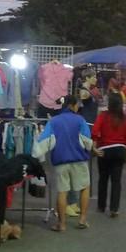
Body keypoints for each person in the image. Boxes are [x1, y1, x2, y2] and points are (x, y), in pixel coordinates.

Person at [36, 95, 94, 232]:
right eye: (77, 105)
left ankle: (61, 224)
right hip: (79, 160)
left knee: (62, 191)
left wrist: (36, 156)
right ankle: (82, 219)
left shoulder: (54, 121)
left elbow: (43, 141)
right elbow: (87, 141)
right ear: (72, 105)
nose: (78, 107)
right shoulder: (80, 120)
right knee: (84, 188)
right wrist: (91, 148)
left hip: (60, 161)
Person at [92, 93, 126, 217]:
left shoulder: (103, 116)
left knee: (103, 179)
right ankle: (114, 208)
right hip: (120, 150)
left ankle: (101, 206)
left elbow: (95, 131)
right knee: (116, 181)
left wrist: (94, 147)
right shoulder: (125, 119)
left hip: (104, 150)